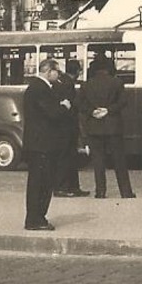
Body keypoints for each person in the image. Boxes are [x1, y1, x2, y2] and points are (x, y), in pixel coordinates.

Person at [22, 57, 74, 232]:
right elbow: (51, 113)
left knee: (41, 181)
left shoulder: (38, 87)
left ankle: (36, 217)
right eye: (56, 71)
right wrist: (64, 106)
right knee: (41, 182)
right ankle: (35, 219)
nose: (58, 75)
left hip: (39, 143)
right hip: (42, 144)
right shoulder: (40, 89)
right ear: (48, 71)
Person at [79, 57, 136, 200]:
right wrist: (108, 110)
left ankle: (100, 192)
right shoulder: (117, 83)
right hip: (113, 126)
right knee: (119, 160)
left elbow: (79, 103)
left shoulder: (86, 85)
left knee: (98, 161)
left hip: (94, 125)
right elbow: (123, 102)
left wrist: (93, 111)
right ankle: (126, 192)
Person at [54, 60, 90, 197]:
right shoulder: (69, 84)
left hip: (62, 127)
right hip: (68, 126)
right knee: (68, 157)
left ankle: (69, 186)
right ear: (76, 72)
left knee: (66, 157)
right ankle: (66, 187)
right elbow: (72, 105)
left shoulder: (61, 81)